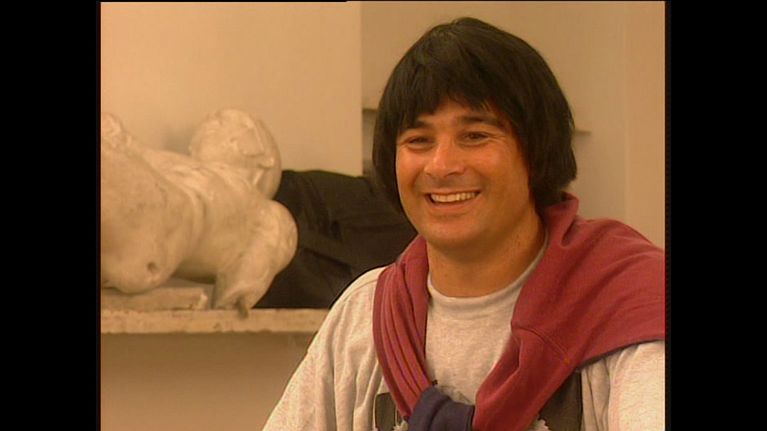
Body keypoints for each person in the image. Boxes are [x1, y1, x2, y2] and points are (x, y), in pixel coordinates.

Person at [263, 17, 664, 431]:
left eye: (475, 136)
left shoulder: (626, 303)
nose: (441, 166)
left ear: (535, 150)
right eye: (419, 141)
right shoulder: (364, 316)